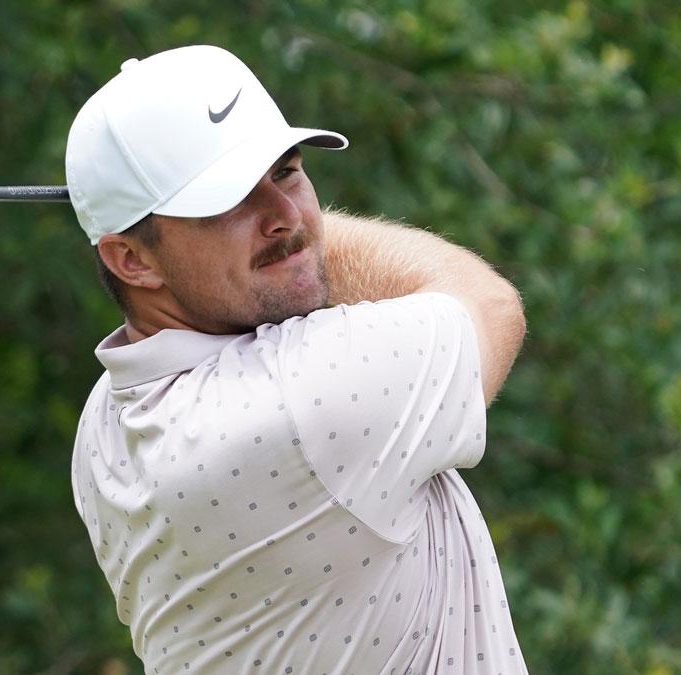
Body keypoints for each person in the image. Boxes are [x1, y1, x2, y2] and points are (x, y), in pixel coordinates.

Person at [67, 44, 528, 674]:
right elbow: (488, 304)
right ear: (132, 260)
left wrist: (268, 235)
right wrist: (302, 240)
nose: (284, 214)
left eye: (285, 172)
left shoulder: (104, 424)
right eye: (228, 200)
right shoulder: (297, 402)